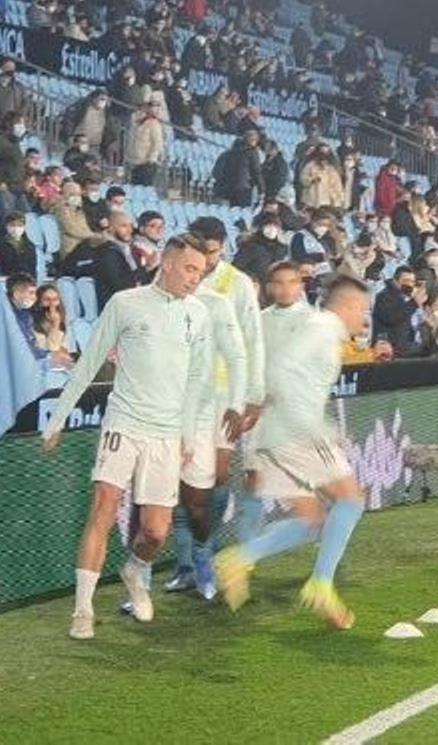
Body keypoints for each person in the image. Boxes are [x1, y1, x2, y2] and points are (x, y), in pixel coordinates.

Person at [42, 234, 218, 641]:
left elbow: (197, 379)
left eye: (201, 272)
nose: (196, 278)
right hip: (123, 423)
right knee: (104, 505)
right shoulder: (126, 303)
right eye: (191, 269)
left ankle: (135, 570)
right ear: (169, 263)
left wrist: (188, 435)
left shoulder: (199, 314)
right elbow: (87, 365)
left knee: (155, 532)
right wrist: (57, 420)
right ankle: (82, 609)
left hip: (166, 433)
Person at [214, 274, 372, 629]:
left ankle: (240, 558)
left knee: (312, 521)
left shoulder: (319, 328)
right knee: (350, 501)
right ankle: (320, 584)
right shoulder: (324, 327)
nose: (364, 318)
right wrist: (314, 426)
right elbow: (280, 370)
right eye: (362, 309)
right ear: (347, 306)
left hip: (274, 435)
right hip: (296, 432)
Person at [157, 217, 266, 599]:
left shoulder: (235, 284)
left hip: (222, 395)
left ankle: (204, 551)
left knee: (217, 476)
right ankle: (185, 564)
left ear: (221, 247)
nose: (203, 258)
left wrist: (253, 394)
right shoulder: (174, 278)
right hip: (180, 392)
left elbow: (251, 339)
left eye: (211, 251)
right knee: (181, 480)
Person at [33, 284, 74, 359]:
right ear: (39, 302)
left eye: (55, 299)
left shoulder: (64, 319)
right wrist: (55, 324)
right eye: (47, 299)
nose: (52, 304)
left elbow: (67, 348)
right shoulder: (32, 322)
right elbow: (52, 349)